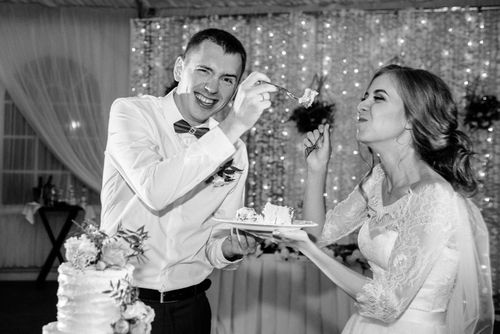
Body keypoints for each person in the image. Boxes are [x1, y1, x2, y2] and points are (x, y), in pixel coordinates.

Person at [276, 64, 494, 334]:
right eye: (364, 97)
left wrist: (309, 250)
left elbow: (389, 304)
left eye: (378, 98)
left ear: (412, 119)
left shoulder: (434, 195)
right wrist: (316, 169)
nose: (362, 106)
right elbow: (318, 233)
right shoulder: (376, 179)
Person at [100, 28, 277, 334]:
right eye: (204, 70)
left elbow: (214, 244)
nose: (212, 87)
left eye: (227, 79)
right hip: (121, 301)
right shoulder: (132, 113)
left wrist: (232, 247)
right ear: (180, 68)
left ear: (235, 89)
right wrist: (234, 124)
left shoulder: (236, 151)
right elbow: (155, 191)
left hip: (191, 309)